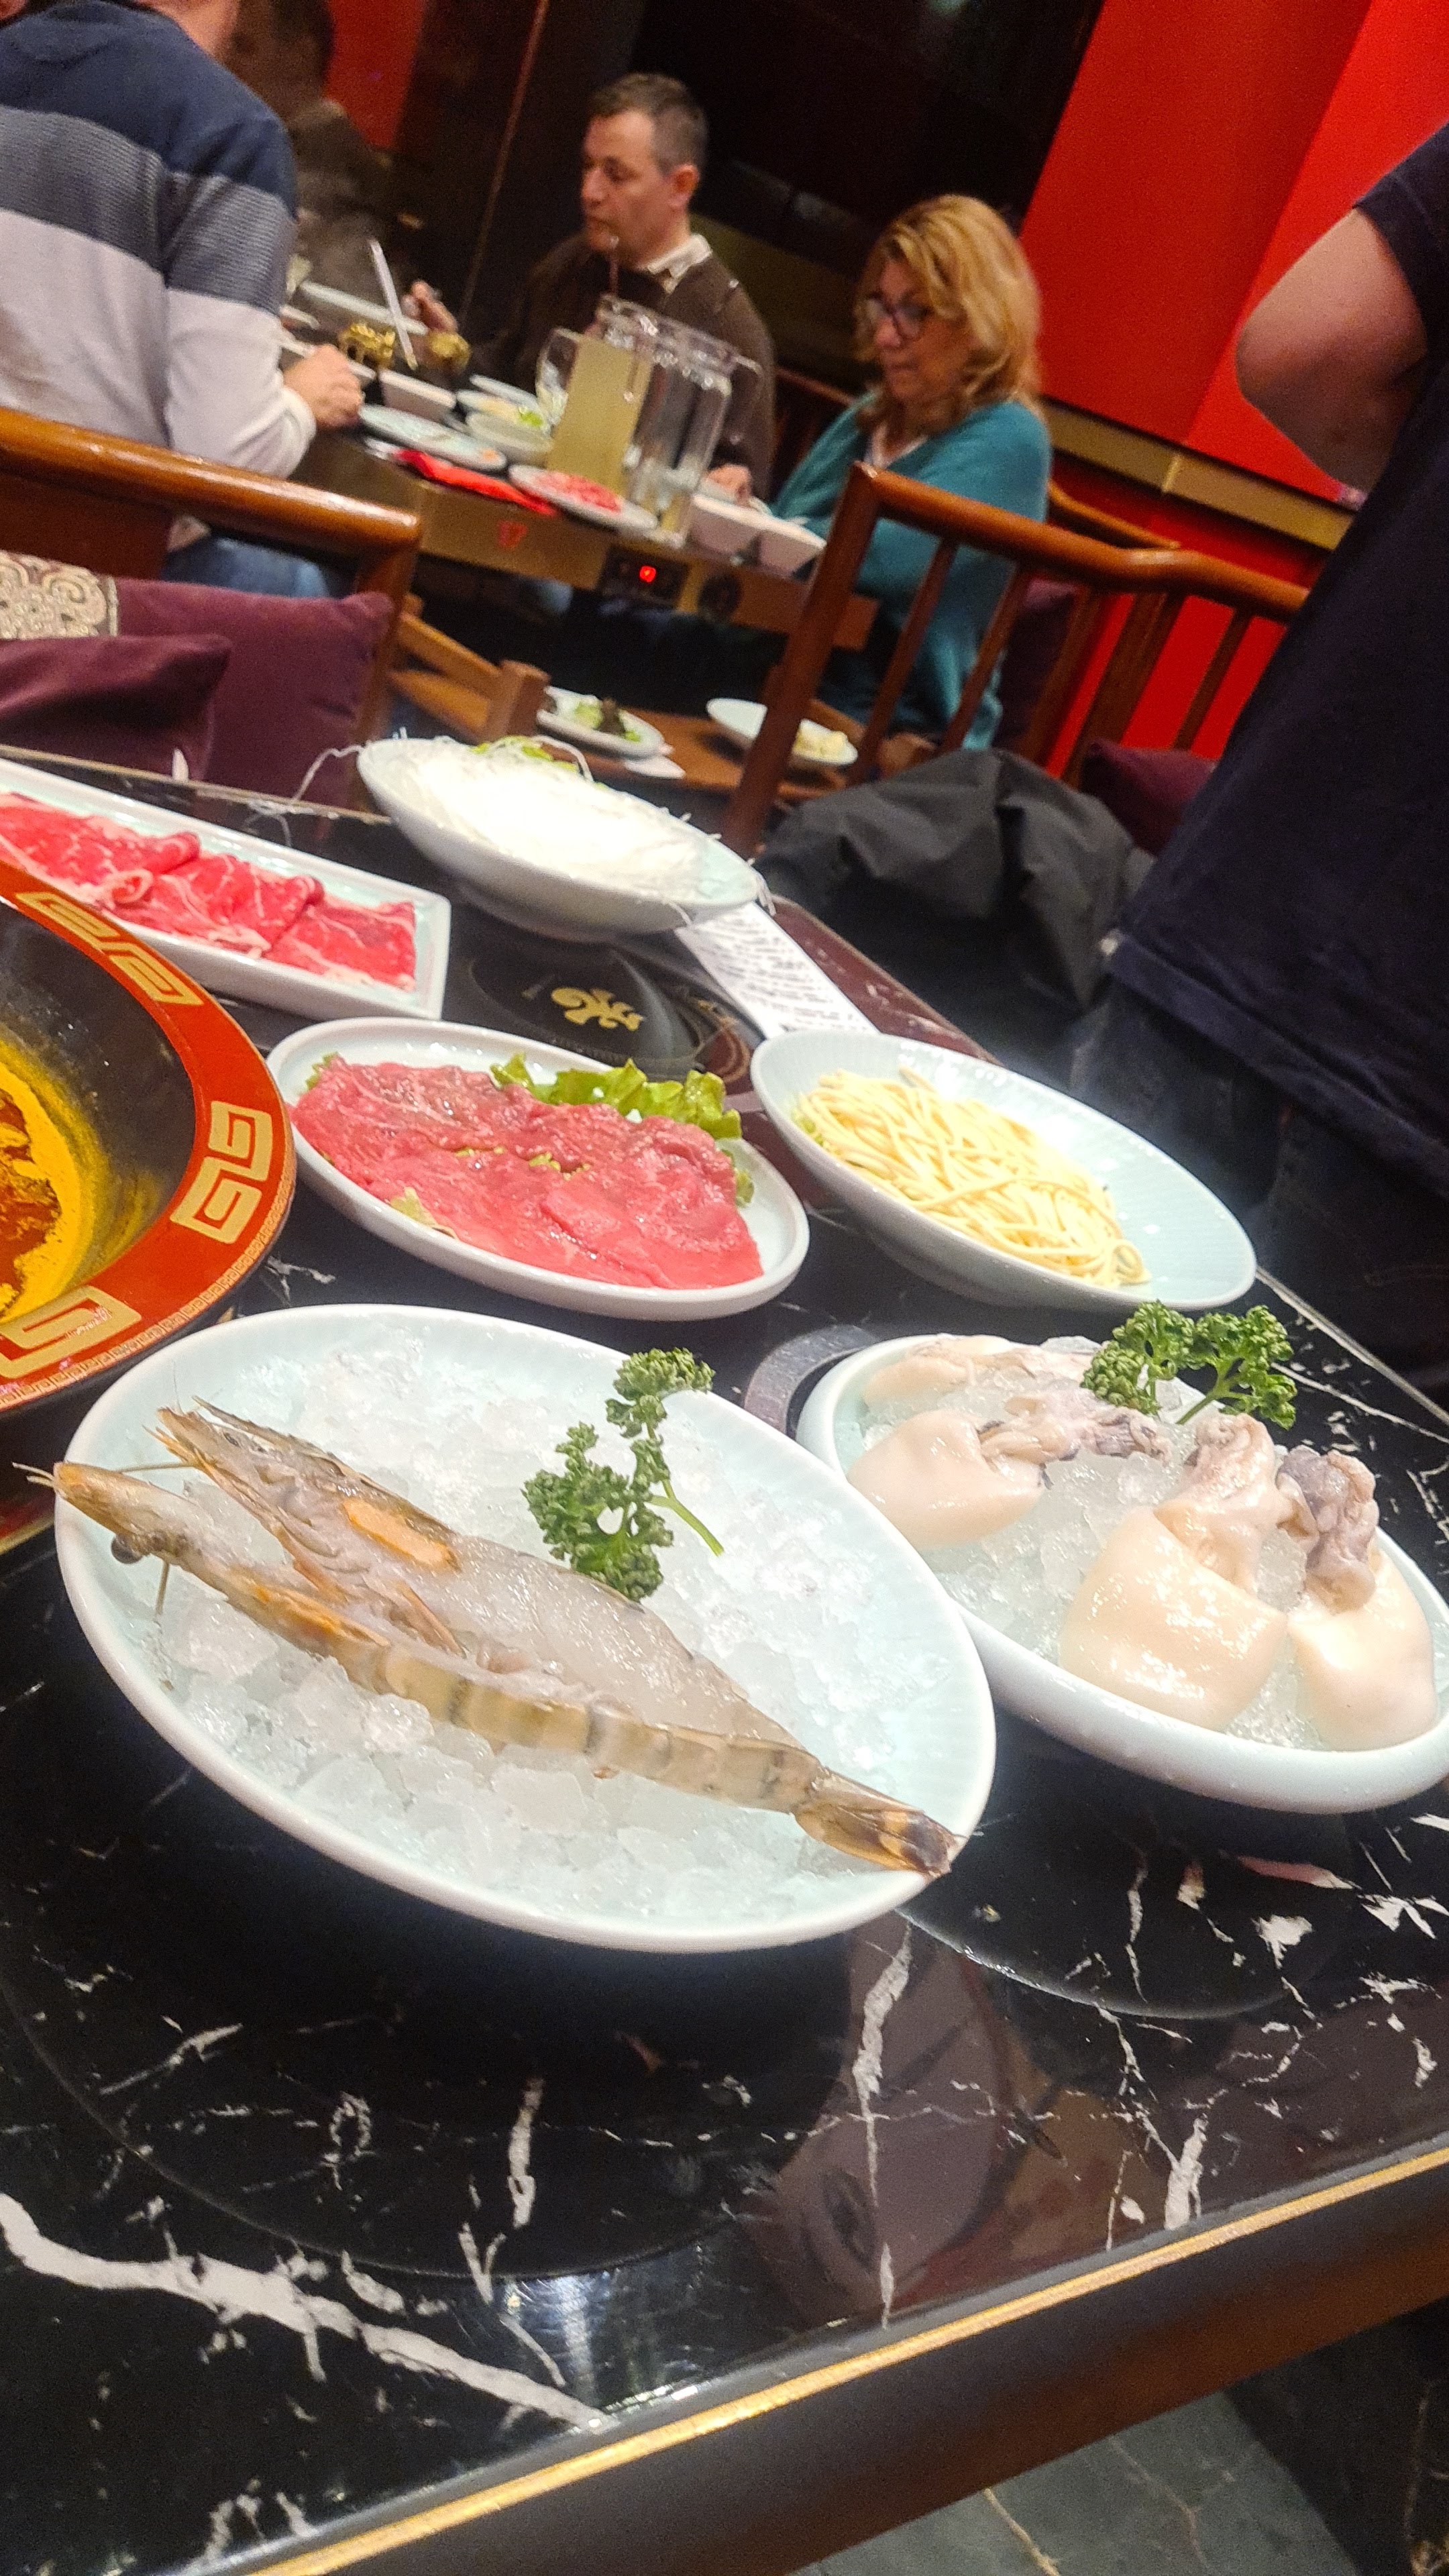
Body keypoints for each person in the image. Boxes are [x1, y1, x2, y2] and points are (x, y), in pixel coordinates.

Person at [1073, 124, 1449, 1381]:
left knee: (990, 1395)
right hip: (1425, 1107)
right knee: (1290, 1496)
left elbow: (1307, 352)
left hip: (1247, 911)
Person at [548, 193, 1050, 737]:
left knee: (595, 648)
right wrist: (745, 511)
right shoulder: (874, 414)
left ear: (978, 319)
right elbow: (789, 534)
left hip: (880, 727)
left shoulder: (1011, 437)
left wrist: (767, 534)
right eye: (883, 308)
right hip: (771, 670)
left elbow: (876, 561)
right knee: (572, 627)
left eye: (915, 313)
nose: (886, 335)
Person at [0, 0, 362, 595]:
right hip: (90, 576)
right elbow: (227, 460)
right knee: (338, 600)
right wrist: (301, 401)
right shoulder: (231, 131)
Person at [410, 73, 775, 492]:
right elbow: (503, 379)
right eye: (588, 167)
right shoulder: (571, 262)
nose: (589, 192)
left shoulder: (728, 327)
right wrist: (448, 351)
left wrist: (735, 485)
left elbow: (741, 489)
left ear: (680, 186)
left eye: (616, 175)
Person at [226, 0, 394, 305]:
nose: (224, 62)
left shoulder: (342, 170)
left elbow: (347, 297)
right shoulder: (257, 140)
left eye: (243, 47)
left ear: (300, 57)